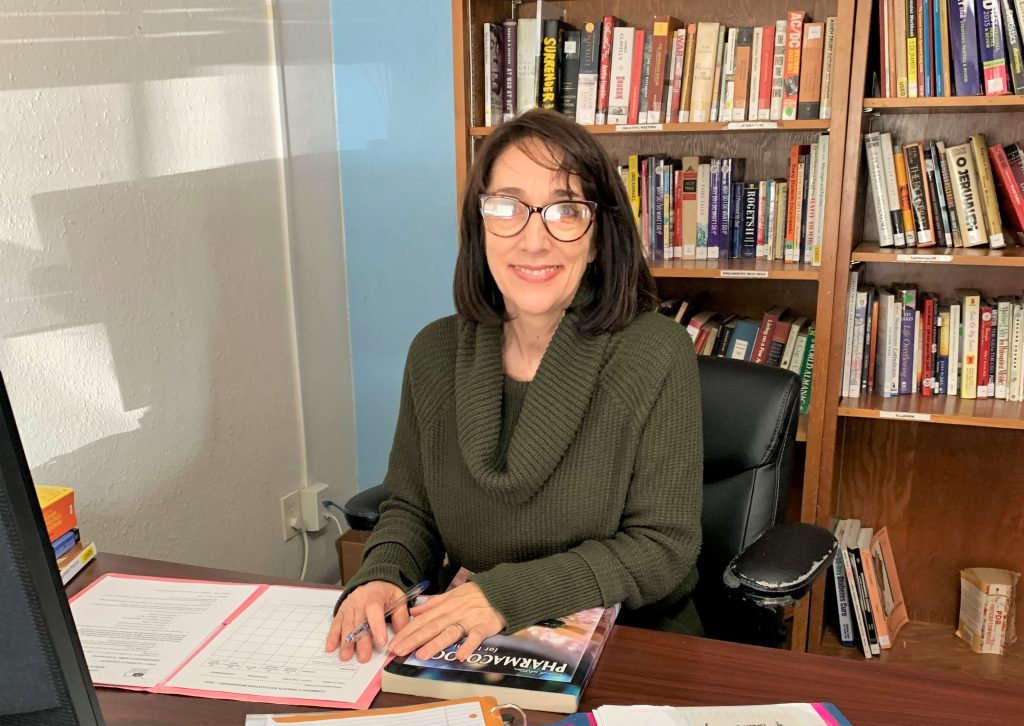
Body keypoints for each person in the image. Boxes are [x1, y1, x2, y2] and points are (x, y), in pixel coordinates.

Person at [325, 108, 703, 665]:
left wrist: (503, 596)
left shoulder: (654, 352)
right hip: (476, 637)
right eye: (507, 208)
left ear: (598, 238)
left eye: (565, 210)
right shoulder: (434, 353)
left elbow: (663, 550)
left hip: (633, 646)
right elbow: (413, 510)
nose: (534, 240)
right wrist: (382, 575)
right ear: (480, 228)